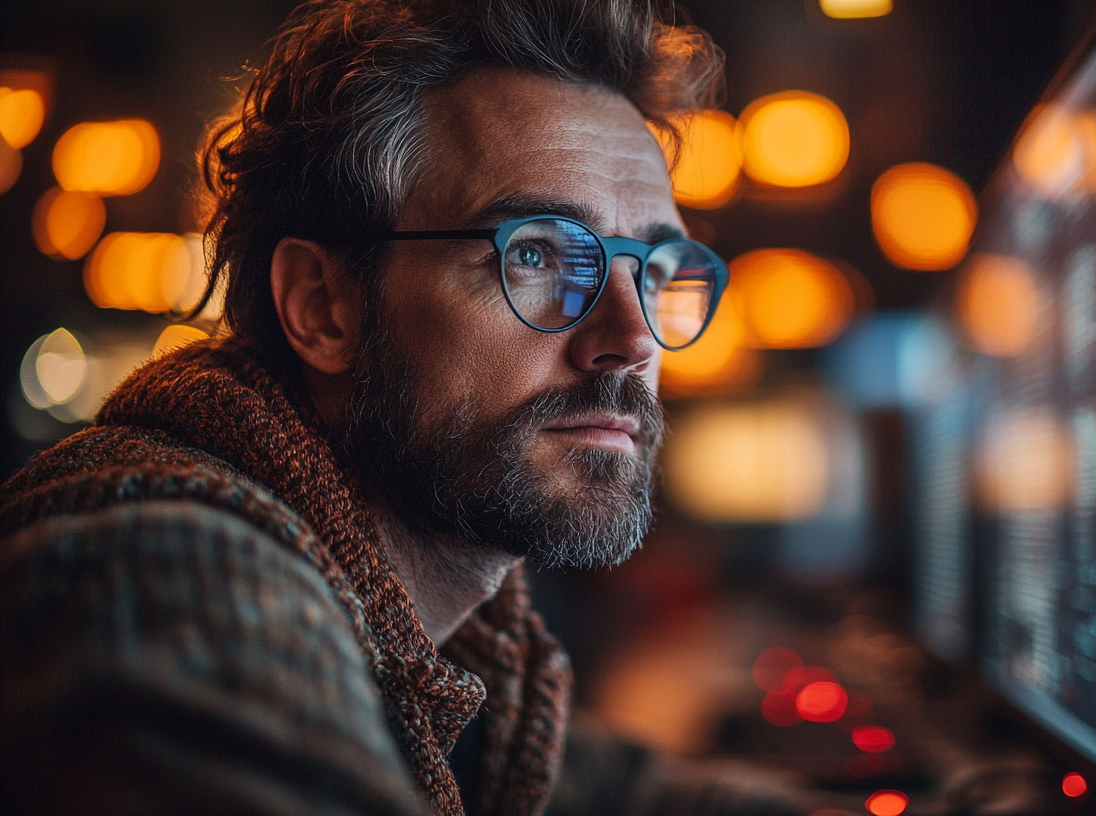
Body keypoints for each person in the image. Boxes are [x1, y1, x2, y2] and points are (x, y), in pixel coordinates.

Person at [0, 2, 820, 814]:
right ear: (324, 306)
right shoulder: (159, 565)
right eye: (535, 253)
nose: (634, 338)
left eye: (653, 272)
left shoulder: (451, 654)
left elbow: (622, 794)